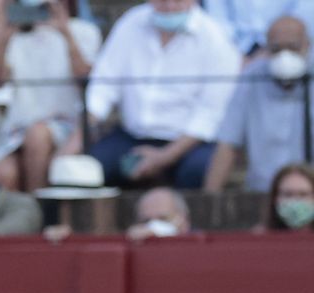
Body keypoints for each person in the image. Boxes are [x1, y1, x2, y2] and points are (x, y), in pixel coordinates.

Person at [85, 0, 242, 190]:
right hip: (131, 137)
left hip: (189, 143)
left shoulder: (216, 37)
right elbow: (103, 87)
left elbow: (209, 115)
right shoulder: (131, 23)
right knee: (91, 168)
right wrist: (82, 130)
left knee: (198, 171)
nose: (169, 6)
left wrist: (164, 157)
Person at [0, 0, 102, 193]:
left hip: (66, 127)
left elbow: (86, 81)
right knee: (5, 173)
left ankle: (40, 211)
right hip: (17, 131)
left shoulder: (85, 32)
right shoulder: (10, 37)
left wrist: (66, 33)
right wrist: (3, 41)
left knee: (37, 135)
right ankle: (24, 218)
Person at [204, 16, 314, 193]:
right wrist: (209, 198)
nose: (284, 55)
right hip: (263, 191)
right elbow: (228, 142)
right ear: (266, 48)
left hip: (310, 192)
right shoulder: (252, 76)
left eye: (293, 47)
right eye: (276, 49)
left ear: (307, 45)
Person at [202, 0, 314, 54]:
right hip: (233, 52)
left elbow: (302, 18)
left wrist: (269, 50)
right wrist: (236, 55)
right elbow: (217, 20)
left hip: (287, 50)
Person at [126, 185, 191, 239]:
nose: (153, 225)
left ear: (183, 219)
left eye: (163, 219)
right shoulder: (135, 243)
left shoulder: (200, 245)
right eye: (146, 221)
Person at [264, 161, 314, 228]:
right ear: (275, 198)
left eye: (303, 194)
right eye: (288, 195)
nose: (295, 201)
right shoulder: (257, 236)